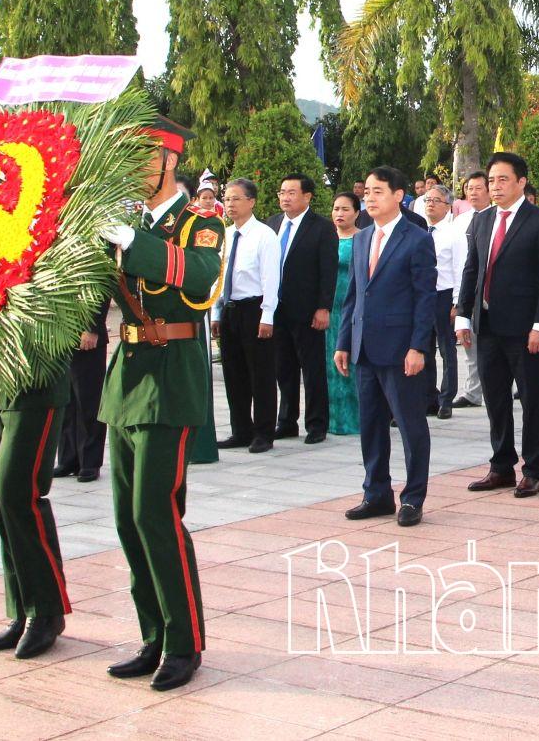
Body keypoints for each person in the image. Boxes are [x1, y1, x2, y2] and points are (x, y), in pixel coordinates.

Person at [97, 117, 223, 690]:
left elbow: (198, 284)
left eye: (141, 156)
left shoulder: (200, 223)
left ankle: (184, 641)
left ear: (170, 161)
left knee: (156, 510)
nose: (131, 165)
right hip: (126, 378)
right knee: (127, 516)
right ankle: (153, 633)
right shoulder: (124, 222)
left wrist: (134, 244)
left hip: (172, 376)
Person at [335, 167, 437, 527]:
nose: (370, 198)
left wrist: (418, 347)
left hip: (401, 350)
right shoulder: (361, 239)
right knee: (371, 425)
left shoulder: (417, 238)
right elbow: (353, 296)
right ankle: (376, 493)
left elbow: (426, 298)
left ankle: (412, 498)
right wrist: (343, 341)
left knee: (410, 426)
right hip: (364, 348)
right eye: (367, 193)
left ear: (398, 195)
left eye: (379, 192)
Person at [456, 152, 539, 497]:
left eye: (503, 180)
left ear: (521, 182)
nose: (495, 187)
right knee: (495, 399)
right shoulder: (482, 221)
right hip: (487, 326)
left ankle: (533, 469)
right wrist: (462, 314)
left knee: (531, 400)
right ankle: (501, 466)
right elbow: (473, 269)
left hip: (525, 328)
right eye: (491, 180)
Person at [0, 368, 73, 660]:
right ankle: (21, 608)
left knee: (17, 493)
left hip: (35, 382)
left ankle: (47, 610)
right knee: (0, 499)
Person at [211, 178, 282, 453]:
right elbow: (218, 276)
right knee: (234, 373)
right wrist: (216, 311)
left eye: (236, 198)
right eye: (227, 199)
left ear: (251, 201)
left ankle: (263, 432)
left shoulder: (264, 235)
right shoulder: (225, 235)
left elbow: (271, 279)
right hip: (229, 309)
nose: (230, 204)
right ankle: (240, 429)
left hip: (256, 308)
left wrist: (268, 316)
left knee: (261, 374)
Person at [267, 174, 337, 444]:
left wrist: (323, 307)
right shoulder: (272, 224)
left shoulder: (321, 227)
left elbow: (327, 270)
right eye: (282, 192)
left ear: (307, 196)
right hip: (277, 308)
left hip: (308, 310)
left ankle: (317, 424)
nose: (285, 197)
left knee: (312, 368)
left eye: (291, 192)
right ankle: (286, 421)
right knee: (282, 367)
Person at [55, 296, 109, 482]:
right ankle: (68, 458)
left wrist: (92, 327)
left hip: (85, 330)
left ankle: (90, 462)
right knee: (67, 400)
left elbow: (100, 287)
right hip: (60, 328)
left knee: (88, 399)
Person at [422, 185, 464, 419]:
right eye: (428, 200)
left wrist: (457, 303)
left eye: (436, 200)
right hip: (423, 296)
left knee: (447, 350)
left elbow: (460, 268)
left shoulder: (453, 232)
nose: (430, 204)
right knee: (424, 347)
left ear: (448, 206)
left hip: (445, 295)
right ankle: (429, 397)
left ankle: (446, 399)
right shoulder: (421, 231)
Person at [449, 172, 490, 407]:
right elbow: (457, 263)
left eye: (477, 188)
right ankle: (473, 392)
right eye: (469, 189)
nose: (472, 193)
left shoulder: (496, 217)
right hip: (467, 292)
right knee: (469, 344)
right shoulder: (460, 222)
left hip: (493, 293)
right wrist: (457, 300)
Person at [324, 192, 361, 435]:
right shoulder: (326, 239)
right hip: (329, 308)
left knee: (353, 363)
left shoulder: (363, 239)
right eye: (336, 209)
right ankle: (332, 419)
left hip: (354, 308)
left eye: (345, 209)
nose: (340, 214)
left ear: (357, 213)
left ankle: (357, 419)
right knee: (329, 363)